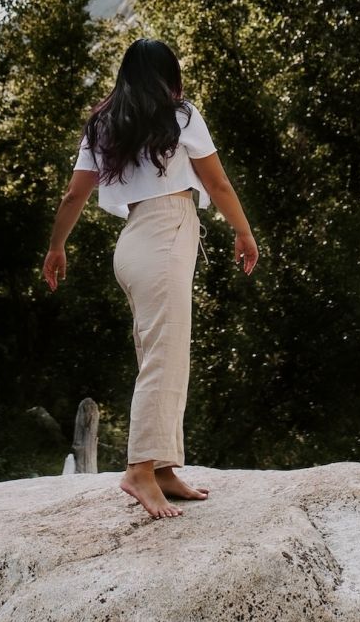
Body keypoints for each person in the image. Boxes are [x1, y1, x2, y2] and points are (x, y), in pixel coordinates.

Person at [42, 38, 259, 519]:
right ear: (169, 75)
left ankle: (161, 467)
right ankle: (139, 469)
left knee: (156, 353)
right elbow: (218, 182)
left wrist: (57, 247)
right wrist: (243, 233)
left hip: (133, 242)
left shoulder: (102, 122)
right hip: (165, 233)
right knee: (165, 355)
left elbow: (73, 196)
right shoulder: (179, 115)